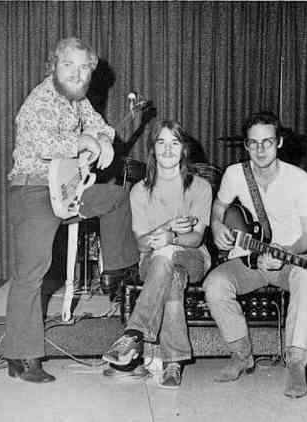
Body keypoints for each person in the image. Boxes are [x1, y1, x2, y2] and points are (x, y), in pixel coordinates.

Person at [5, 38, 139, 383]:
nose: (77, 74)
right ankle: (24, 357)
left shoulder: (76, 100)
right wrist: (83, 142)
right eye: (69, 65)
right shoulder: (40, 100)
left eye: (84, 69)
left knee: (115, 197)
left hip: (65, 189)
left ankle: (117, 271)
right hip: (33, 189)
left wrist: (104, 139)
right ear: (54, 66)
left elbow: (100, 126)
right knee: (31, 274)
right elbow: (41, 144)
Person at [203, 111, 307, 398]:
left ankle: (296, 364)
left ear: (279, 142)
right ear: (246, 145)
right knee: (214, 285)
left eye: (267, 142)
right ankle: (242, 355)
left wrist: (287, 251)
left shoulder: (300, 180)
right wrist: (217, 226)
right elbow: (219, 208)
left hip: (288, 259)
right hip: (249, 258)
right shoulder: (234, 174)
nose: (260, 150)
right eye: (253, 143)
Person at [102, 119, 212, 388]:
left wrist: (172, 237)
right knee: (168, 271)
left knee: (166, 253)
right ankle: (173, 363)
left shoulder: (200, 187)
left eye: (174, 143)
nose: (168, 149)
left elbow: (196, 238)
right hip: (152, 262)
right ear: (152, 148)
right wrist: (167, 228)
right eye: (161, 142)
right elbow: (141, 245)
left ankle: (133, 333)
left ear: (184, 149)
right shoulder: (140, 191)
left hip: (194, 257)